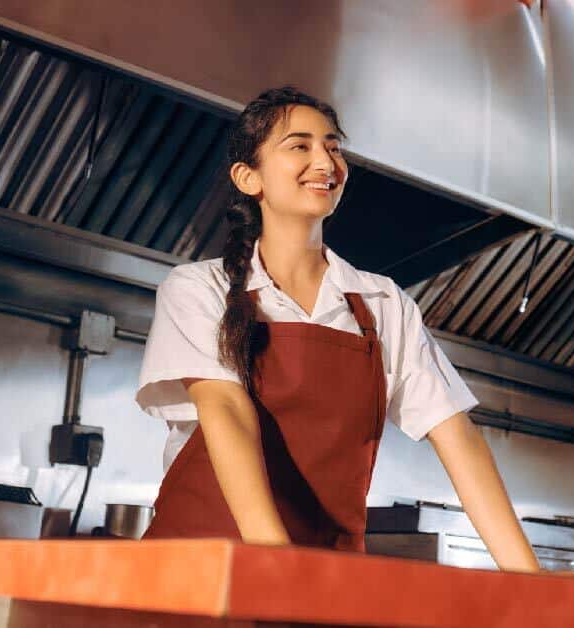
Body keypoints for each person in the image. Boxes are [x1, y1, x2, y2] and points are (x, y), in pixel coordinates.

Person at [134, 86, 539, 571]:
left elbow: (456, 435)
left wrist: (528, 578)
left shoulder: (383, 302)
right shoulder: (199, 288)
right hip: (194, 573)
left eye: (333, 145)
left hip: (320, 580)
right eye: (300, 146)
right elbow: (226, 410)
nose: (325, 161)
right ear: (248, 177)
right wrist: (274, 558)